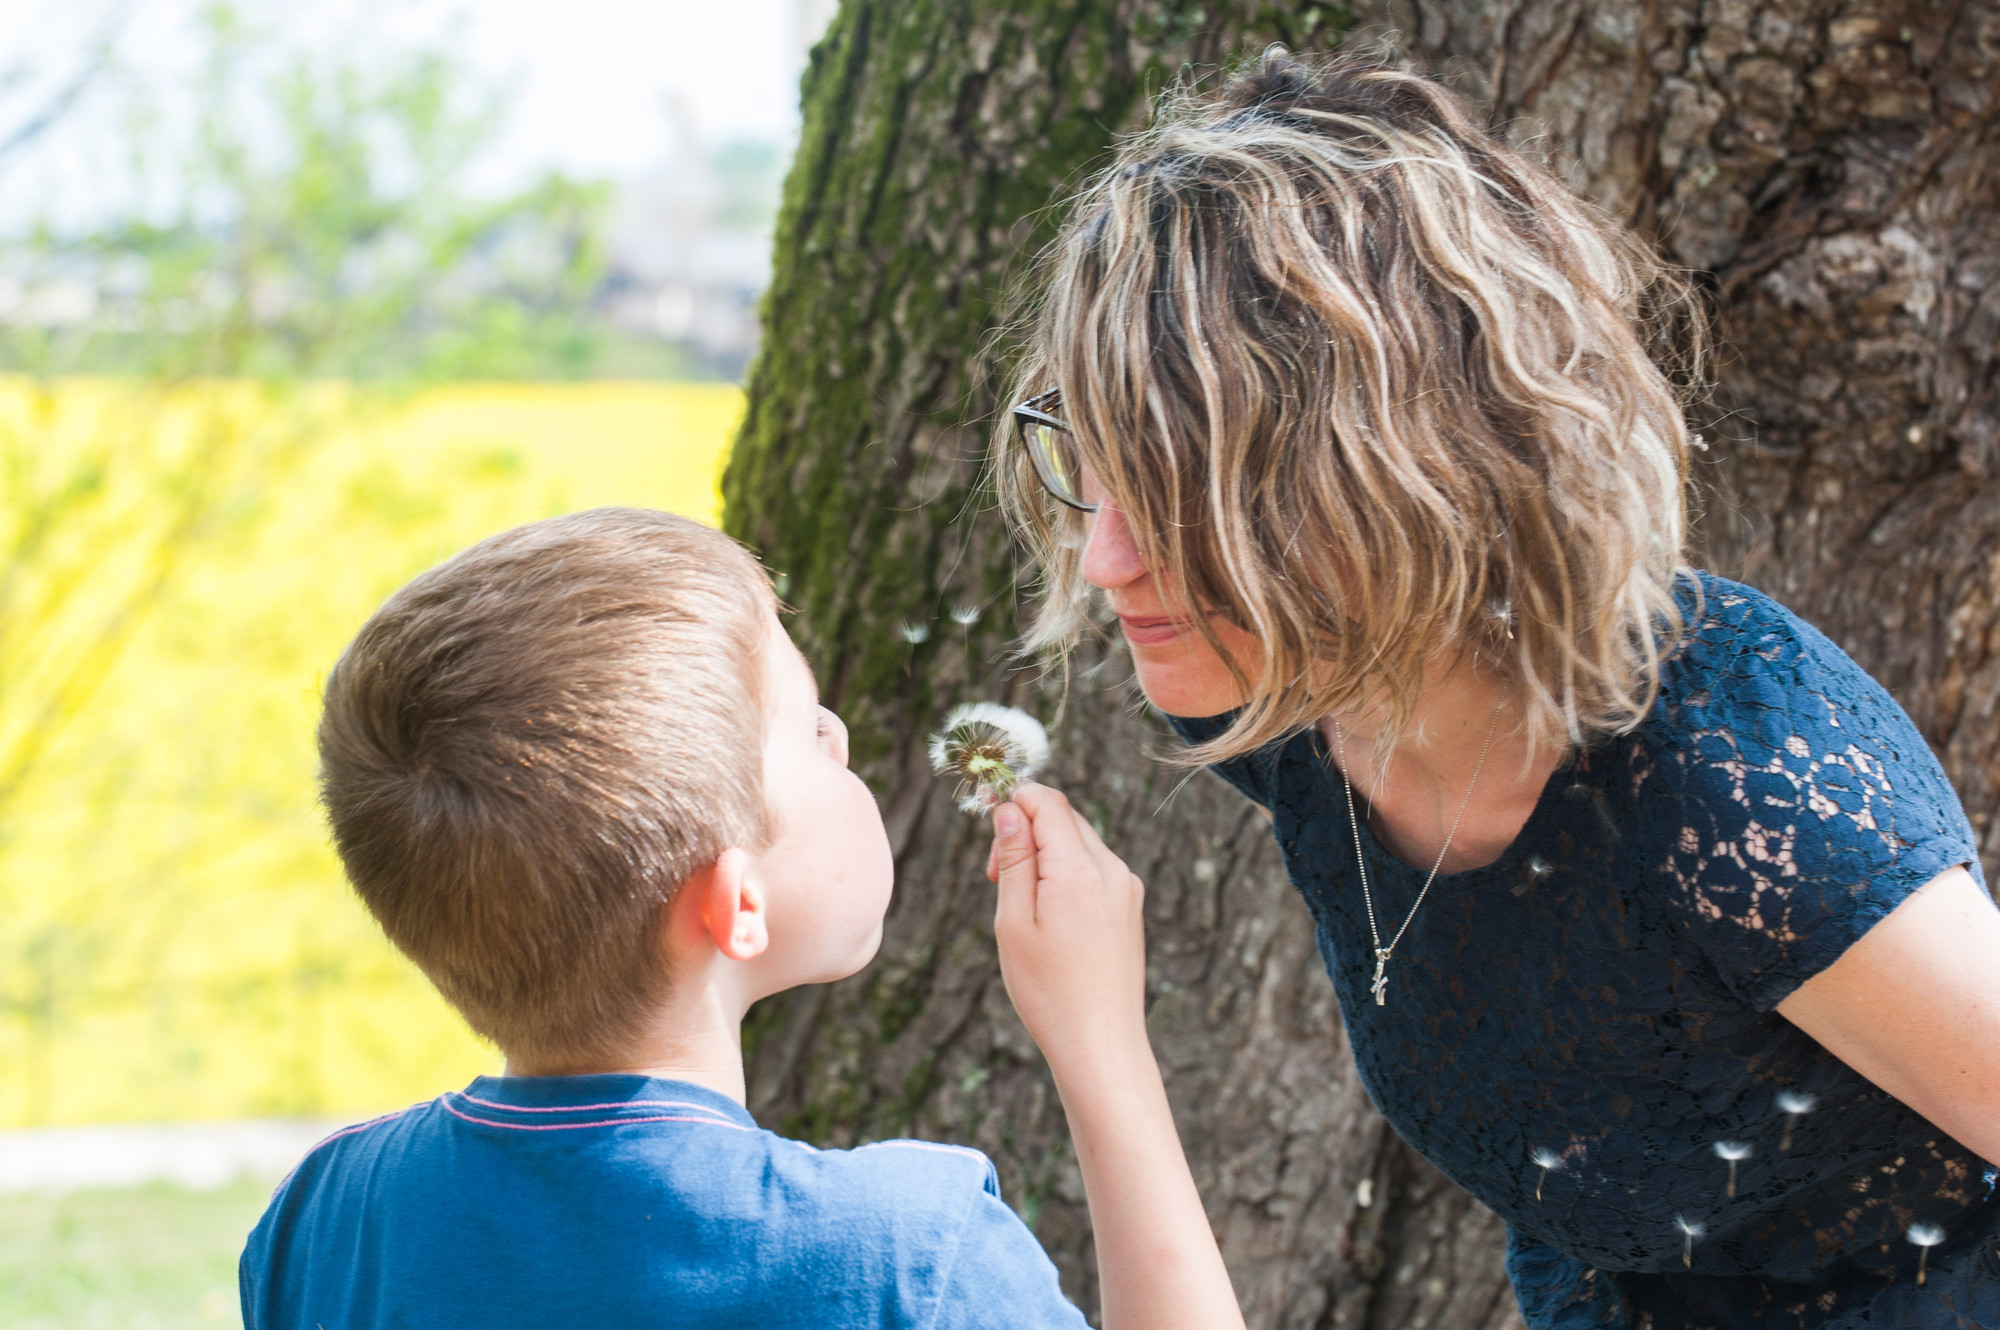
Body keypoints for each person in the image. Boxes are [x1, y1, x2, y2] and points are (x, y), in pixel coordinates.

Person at [999, 49, 2000, 1329]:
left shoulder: (1729, 778)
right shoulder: (1262, 697)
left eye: (1183, 493)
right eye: (1088, 455)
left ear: (1394, 476)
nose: (1102, 561)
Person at [240, 507, 1245, 1330]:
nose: (840, 737)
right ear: (736, 907)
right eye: (808, 732)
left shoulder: (324, 1219)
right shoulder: (905, 1261)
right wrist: (1102, 1044)